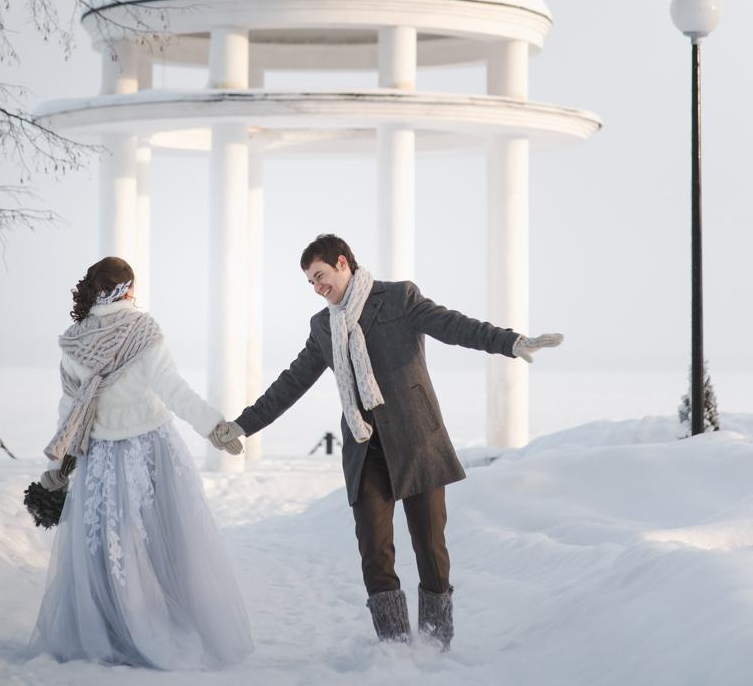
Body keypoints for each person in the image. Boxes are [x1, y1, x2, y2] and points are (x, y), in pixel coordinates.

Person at [212, 234, 563, 650]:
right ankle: (395, 653)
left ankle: (436, 647)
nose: (317, 288)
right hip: (366, 448)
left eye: (320, 276)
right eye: (310, 282)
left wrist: (510, 341)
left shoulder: (398, 298)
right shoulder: (324, 326)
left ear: (342, 263)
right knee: (375, 552)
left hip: (417, 440)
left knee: (431, 550)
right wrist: (241, 426)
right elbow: (291, 383)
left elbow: (454, 326)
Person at [29, 256, 253, 671]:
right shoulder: (141, 329)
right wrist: (215, 428)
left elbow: (69, 408)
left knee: (105, 551)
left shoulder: (75, 340)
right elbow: (174, 389)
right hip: (148, 451)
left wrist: (61, 464)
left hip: (97, 456)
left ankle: (108, 631)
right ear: (126, 289)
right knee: (159, 543)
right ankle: (154, 628)